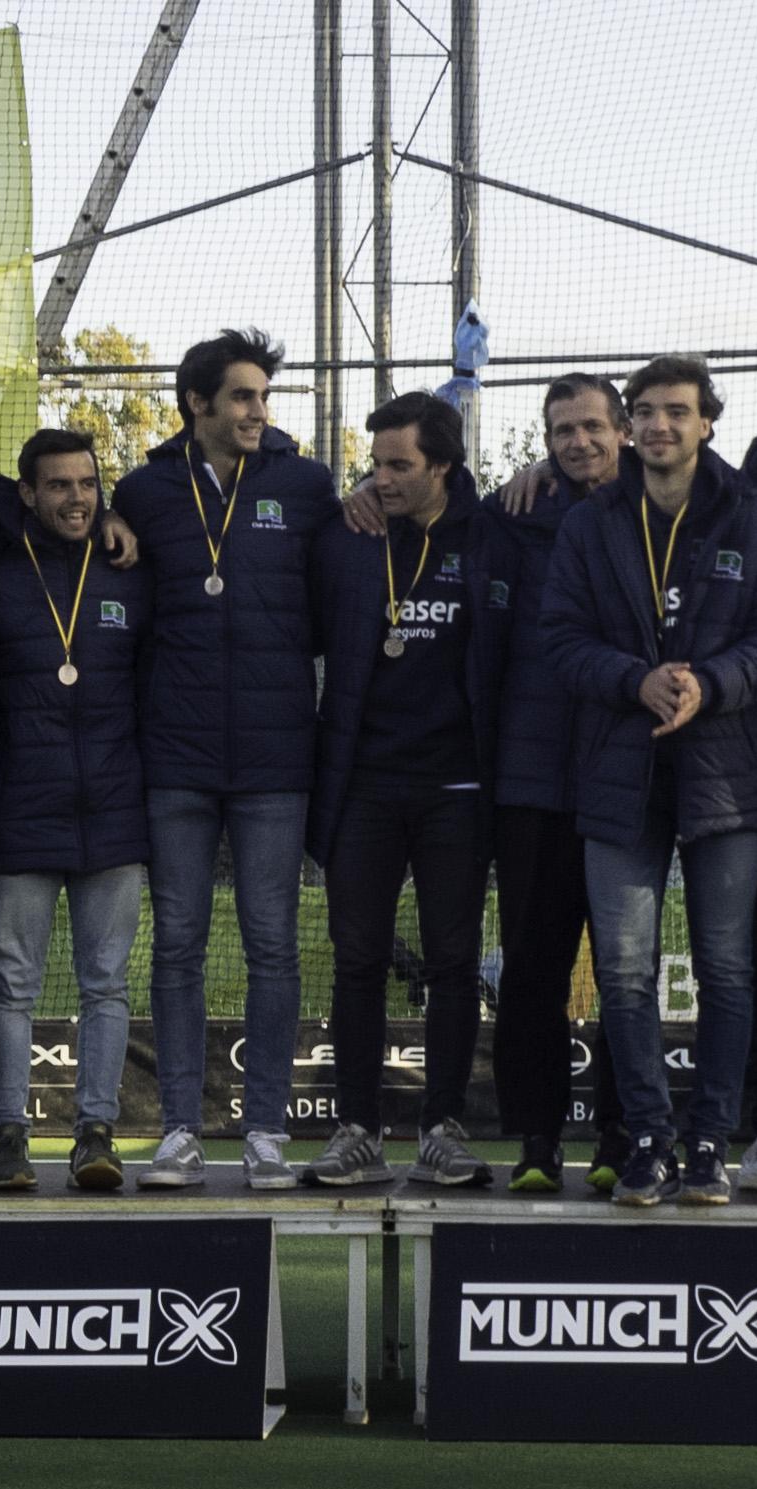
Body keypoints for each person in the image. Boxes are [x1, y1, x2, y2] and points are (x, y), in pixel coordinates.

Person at [533, 354, 757, 1207]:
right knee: (621, 970)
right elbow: (561, 637)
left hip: (725, 776)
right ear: (627, 425)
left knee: (728, 969)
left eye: (675, 412)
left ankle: (709, 1144)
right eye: (644, 412)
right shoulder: (589, 523)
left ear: (707, 423)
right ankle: (648, 1138)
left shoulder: (756, 517)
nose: (657, 426)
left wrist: (711, 684)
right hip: (618, 774)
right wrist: (633, 679)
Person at [113, 329, 339, 1189]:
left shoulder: (308, 485)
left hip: (277, 757)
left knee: (273, 945)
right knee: (176, 945)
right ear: (198, 403)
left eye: (263, 397)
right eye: (241, 396)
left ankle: (268, 1129)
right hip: (174, 755)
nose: (257, 411)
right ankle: (178, 1129)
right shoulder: (142, 489)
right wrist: (104, 519)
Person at [306, 392, 503, 1189]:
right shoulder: (350, 537)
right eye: (375, 462)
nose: (381, 478)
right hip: (363, 786)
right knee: (356, 959)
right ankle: (356, 1128)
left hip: (457, 786)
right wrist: (356, 499)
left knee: (455, 961)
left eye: (400, 466)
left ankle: (442, 1128)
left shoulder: (489, 537)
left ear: (443, 468)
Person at [0, 428, 153, 1191]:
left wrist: (113, 518)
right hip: (21, 807)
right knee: (13, 981)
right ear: (28, 493)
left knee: (106, 982)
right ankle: (9, 1138)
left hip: (113, 807)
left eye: (87, 485)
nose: (76, 498)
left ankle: (95, 1132)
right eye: (57, 485)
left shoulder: (126, 570)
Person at [482, 375, 631, 1192]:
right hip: (532, 786)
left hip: (621, 787)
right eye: (562, 430)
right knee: (532, 974)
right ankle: (538, 1142)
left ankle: (621, 1137)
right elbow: (424, 494)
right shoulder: (517, 514)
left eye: (592, 427)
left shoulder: (658, 508)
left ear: (622, 433)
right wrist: (366, 480)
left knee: (624, 975)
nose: (578, 442)